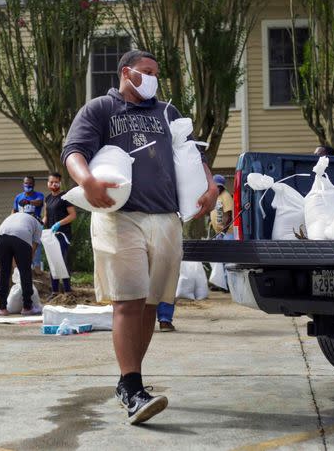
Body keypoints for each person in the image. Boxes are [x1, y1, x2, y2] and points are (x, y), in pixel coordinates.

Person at [63, 49, 218, 424]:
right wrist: (86, 181)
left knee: (151, 304)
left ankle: (129, 380)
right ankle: (133, 387)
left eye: (156, 73)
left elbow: (191, 156)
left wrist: (212, 186)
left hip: (166, 217)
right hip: (121, 218)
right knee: (128, 302)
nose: (153, 79)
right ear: (126, 72)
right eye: (146, 72)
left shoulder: (168, 113)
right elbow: (73, 152)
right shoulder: (101, 109)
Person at [0, 212, 42, 316]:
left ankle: (2, 308)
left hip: (0, 236)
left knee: (3, 272)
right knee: (25, 271)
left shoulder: (15, 216)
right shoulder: (38, 225)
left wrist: (15, 264)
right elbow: (33, 249)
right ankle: (27, 307)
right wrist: (23, 264)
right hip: (22, 236)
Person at [43, 171, 76, 298]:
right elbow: (46, 215)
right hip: (50, 235)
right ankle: (55, 291)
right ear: (48, 183)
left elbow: (73, 215)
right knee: (52, 261)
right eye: (51, 182)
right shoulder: (48, 198)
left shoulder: (65, 197)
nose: (53, 184)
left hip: (62, 234)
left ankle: (67, 291)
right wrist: (41, 224)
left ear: (60, 183)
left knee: (62, 260)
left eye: (56, 182)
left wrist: (59, 223)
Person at [13, 175, 45, 269]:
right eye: (26, 183)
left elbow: (39, 202)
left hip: (35, 225)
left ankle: (36, 267)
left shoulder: (39, 195)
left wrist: (28, 202)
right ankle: (23, 267)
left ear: (34, 184)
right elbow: (14, 210)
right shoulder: (18, 197)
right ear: (23, 184)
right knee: (22, 246)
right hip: (21, 226)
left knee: (36, 246)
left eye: (30, 183)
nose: (28, 185)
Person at [209, 174, 234, 239]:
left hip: (227, 233)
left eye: (219, 186)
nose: (218, 188)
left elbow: (230, 217)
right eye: (216, 186)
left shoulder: (226, 196)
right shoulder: (216, 196)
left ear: (222, 187)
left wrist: (223, 233)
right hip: (219, 233)